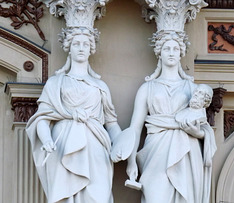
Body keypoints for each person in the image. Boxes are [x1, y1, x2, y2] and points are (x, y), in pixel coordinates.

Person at [112, 31, 217, 203]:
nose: (171, 52)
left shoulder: (191, 87)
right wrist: (131, 162)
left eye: (175, 48)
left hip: (186, 152)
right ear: (159, 52)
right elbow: (135, 129)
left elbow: (204, 127)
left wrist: (198, 134)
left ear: (181, 53)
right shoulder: (147, 88)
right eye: (167, 48)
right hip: (156, 151)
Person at [26, 27, 121, 203]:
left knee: (99, 195)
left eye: (86, 44)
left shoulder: (100, 86)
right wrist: (46, 140)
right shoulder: (56, 83)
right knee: (66, 195)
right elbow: (42, 118)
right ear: (69, 47)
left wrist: (122, 144)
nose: (81, 48)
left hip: (95, 146)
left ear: (91, 48)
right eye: (76, 44)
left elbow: (112, 123)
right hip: (63, 144)